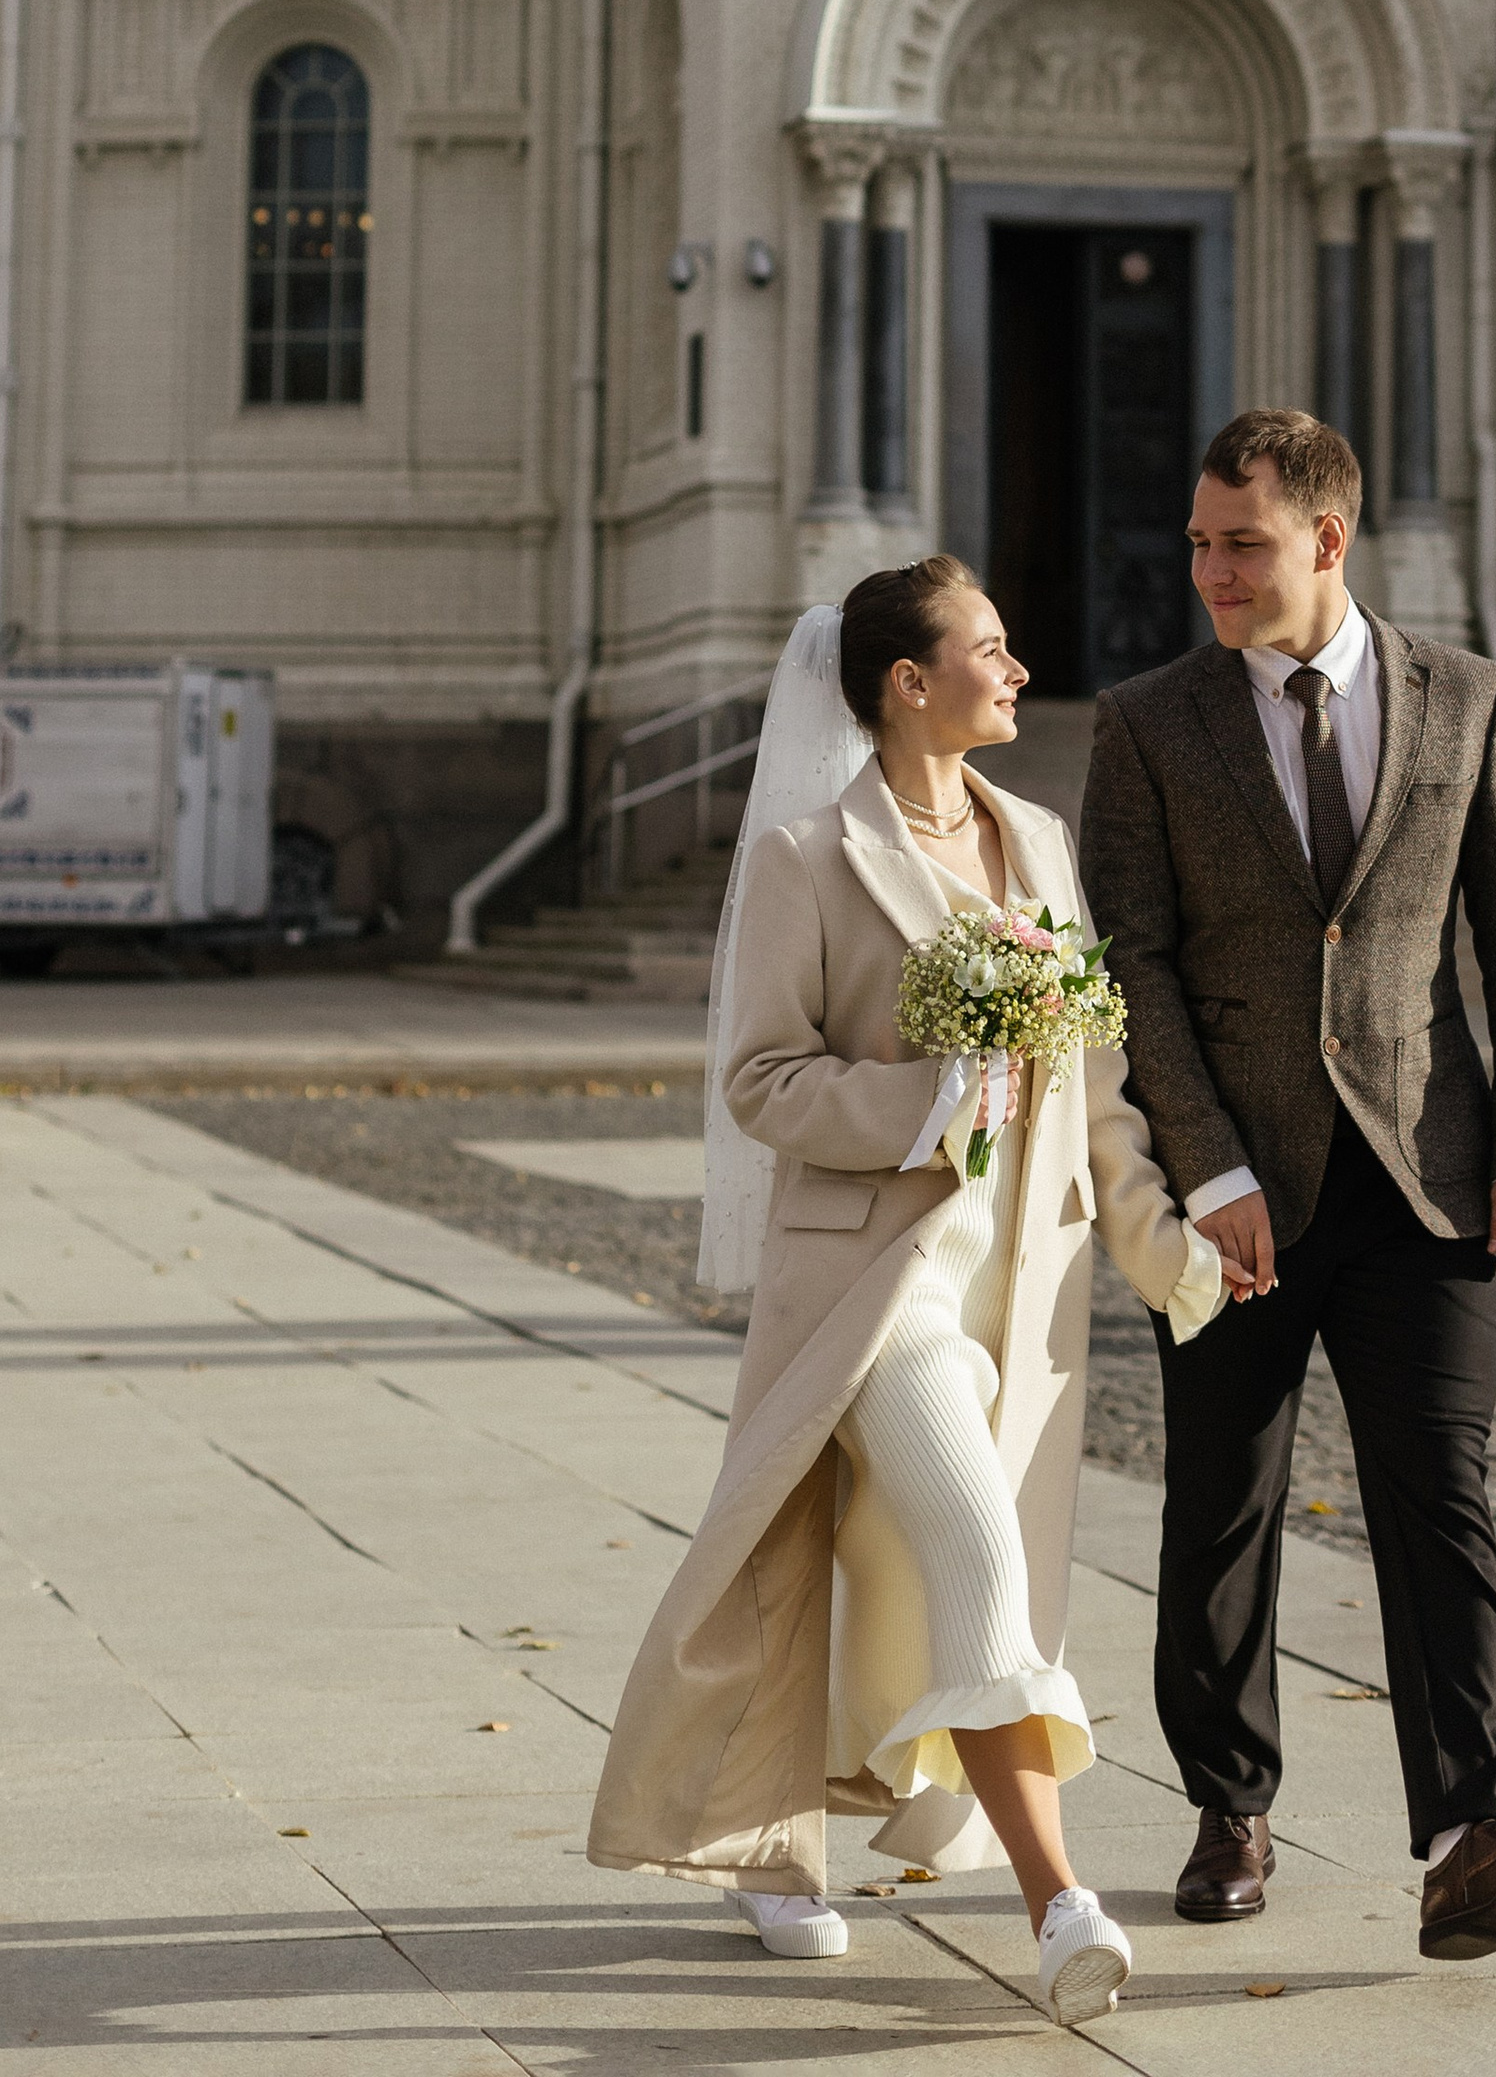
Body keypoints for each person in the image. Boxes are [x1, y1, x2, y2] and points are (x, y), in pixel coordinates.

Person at [588, 560, 1236, 2026]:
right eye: (990, 648)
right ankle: (1059, 1901)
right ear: (905, 681)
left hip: (1025, 1287)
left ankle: (774, 1833)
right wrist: (925, 1094)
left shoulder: (1045, 845)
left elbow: (1099, 1089)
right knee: (974, 1549)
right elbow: (761, 1076)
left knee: (887, 1568)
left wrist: (1162, 1242)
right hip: (880, 1289)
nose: (1018, 670)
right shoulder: (807, 858)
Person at [1079, 407, 1496, 1966]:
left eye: (1239, 542)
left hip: (1423, 1173)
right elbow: (1136, 965)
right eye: (1196, 541)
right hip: (1239, 1188)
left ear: (1328, 538)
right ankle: (1230, 1804)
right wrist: (1208, 1165)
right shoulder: (1148, 722)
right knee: (1220, 1506)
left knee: (1439, 1498)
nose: (1209, 571)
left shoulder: (1466, 691)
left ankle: (1474, 1835)